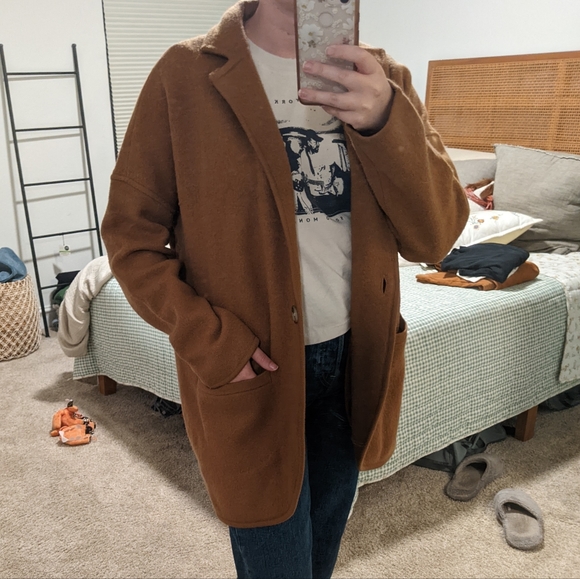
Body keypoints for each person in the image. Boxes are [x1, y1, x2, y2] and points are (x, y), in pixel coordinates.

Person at [100, 1, 469, 577]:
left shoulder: (385, 80)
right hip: (252, 365)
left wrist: (384, 121)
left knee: (321, 555)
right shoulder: (184, 75)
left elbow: (435, 237)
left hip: (356, 362)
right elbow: (131, 238)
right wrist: (211, 342)